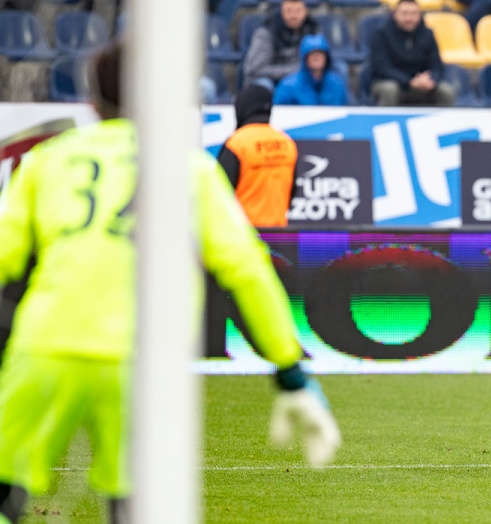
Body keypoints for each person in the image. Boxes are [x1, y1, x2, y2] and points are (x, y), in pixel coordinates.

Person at [0, 41, 340, 523]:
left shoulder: (48, 160)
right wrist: (290, 372)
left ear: (92, 102)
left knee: (4, 494)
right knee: (137, 505)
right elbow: (244, 268)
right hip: (142, 363)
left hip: (45, 345)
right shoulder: (189, 169)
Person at [218, 84, 299, 227]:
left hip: (244, 235)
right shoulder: (286, 142)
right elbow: (292, 191)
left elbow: (220, 192)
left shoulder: (237, 143)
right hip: (279, 236)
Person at [369, 0, 455, 107]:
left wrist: (431, 79)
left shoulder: (428, 34)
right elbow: (382, 67)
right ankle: (387, 123)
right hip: (390, 82)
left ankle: (443, 124)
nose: (409, 18)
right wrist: (409, 81)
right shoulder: (381, 33)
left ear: (419, 15)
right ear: (395, 14)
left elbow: (437, 66)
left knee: (446, 91)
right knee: (390, 89)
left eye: (414, 14)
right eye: (404, 14)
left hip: (422, 85)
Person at [242, 0, 319, 90]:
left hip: (300, 78)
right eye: (289, 11)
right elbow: (256, 69)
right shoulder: (266, 33)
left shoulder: (313, 31)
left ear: (305, 12)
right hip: (270, 80)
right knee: (264, 85)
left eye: (298, 11)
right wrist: (293, 71)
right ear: (281, 12)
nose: (293, 16)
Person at [273, 34, 349, 106]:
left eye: (320, 53)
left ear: (327, 57)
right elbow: (280, 113)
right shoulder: (288, 86)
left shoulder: (336, 83)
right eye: (312, 54)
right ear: (305, 58)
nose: (316, 57)